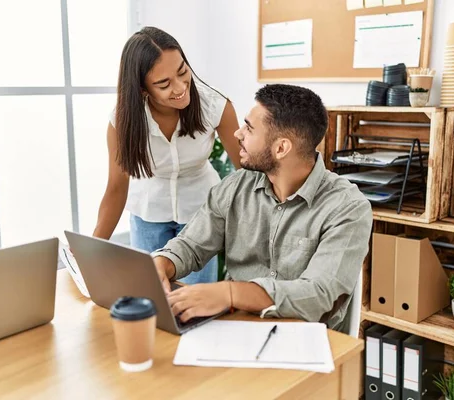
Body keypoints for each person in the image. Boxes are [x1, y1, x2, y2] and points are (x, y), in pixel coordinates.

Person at [152, 84, 373, 332]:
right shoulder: (236, 187)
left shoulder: (347, 208)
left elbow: (319, 295)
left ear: (281, 148)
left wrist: (230, 293)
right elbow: (192, 245)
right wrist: (163, 262)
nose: (237, 133)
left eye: (249, 128)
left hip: (306, 342)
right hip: (236, 331)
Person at [92, 27, 241, 285]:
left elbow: (247, 170)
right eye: (164, 83)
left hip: (200, 214)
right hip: (148, 213)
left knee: (194, 305)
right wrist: (92, 251)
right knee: (151, 297)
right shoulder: (122, 120)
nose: (181, 87)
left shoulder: (215, 105)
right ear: (141, 89)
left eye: (183, 71)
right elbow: (116, 189)